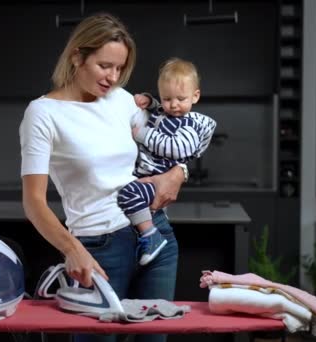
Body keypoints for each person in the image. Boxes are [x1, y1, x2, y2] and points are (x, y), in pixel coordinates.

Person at [19, 13, 186, 342]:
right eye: (105, 65)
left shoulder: (121, 101)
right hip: (99, 249)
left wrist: (179, 173)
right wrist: (72, 250)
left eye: (120, 68)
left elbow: (170, 143)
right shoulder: (42, 114)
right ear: (77, 56)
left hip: (154, 234)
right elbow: (33, 201)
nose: (113, 77)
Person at [118, 58, 217, 266]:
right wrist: (149, 101)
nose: (173, 105)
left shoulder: (190, 125)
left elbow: (178, 148)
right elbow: (157, 112)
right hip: (146, 176)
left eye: (181, 98)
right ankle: (145, 233)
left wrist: (143, 135)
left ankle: (150, 235)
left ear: (195, 96)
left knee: (128, 194)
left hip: (156, 180)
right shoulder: (167, 113)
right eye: (166, 98)